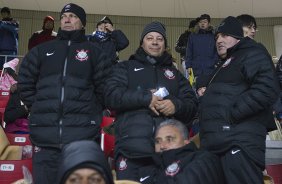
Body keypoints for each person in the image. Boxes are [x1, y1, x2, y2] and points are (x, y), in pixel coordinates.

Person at [18, 3, 111, 184]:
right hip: (45, 137)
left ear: (83, 23)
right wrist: (37, 106)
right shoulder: (41, 51)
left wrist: (90, 112)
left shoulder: (95, 53)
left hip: (81, 137)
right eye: (64, 16)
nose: (67, 19)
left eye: (73, 16)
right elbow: (25, 81)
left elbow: (104, 88)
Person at [104, 21, 198, 181]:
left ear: (165, 44)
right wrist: (146, 98)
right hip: (131, 150)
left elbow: (192, 104)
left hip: (168, 153)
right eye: (150, 38)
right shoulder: (125, 67)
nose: (155, 42)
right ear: (142, 43)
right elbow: (111, 95)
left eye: (160, 39)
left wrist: (175, 105)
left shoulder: (174, 74)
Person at [198, 16, 279, 183]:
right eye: (217, 37)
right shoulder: (225, 64)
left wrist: (232, 113)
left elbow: (267, 88)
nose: (219, 40)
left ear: (238, 37)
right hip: (219, 145)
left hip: (238, 144)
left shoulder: (252, 52)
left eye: (225, 35)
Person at [138, 119, 224, 184]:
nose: (162, 146)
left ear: (186, 142)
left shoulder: (204, 159)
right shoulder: (146, 169)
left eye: (169, 139)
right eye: (158, 141)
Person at [185, 14, 218, 80]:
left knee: (209, 88)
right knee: (195, 88)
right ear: (198, 23)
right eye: (200, 22)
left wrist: (214, 62)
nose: (202, 24)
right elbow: (189, 51)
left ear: (209, 23)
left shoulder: (213, 36)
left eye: (205, 22)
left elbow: (216, 50)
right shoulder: (193, 36)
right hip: (196, 69)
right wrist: (188, 66)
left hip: (210, 69)